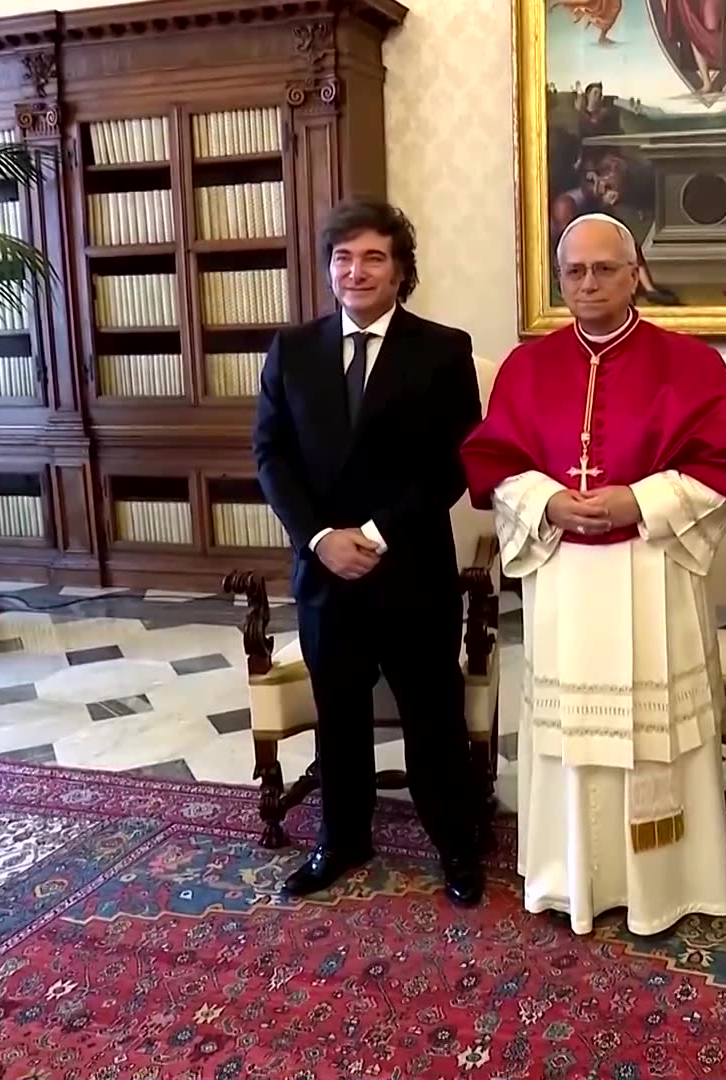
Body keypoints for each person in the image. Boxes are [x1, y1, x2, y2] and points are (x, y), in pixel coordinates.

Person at [459, 213, 726, 935]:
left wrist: (640, 499)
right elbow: (494, 463)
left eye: (604, 269)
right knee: (571, 740)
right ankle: (571, 875)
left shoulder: (691, 363)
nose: (588, 283)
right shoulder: (526, 369)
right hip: (565, 577)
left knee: (653, 737)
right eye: (575, 271)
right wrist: (549, 500)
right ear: (560, 280)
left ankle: (667, 883)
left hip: (650, 571)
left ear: (635, 275)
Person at [252, 196, 486, 907]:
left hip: (410, 568)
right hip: (326, 573)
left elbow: (458, 462)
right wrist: (321, 538)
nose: (356, 271)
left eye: (374, 257)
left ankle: (456, 845)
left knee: (432, 717)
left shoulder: (444, 349)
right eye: (343, 257)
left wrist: (377, 534)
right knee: (341, 718)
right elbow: (270, 454)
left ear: (401, 271)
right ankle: (342, 839)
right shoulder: (292, 350)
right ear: (329, 268)